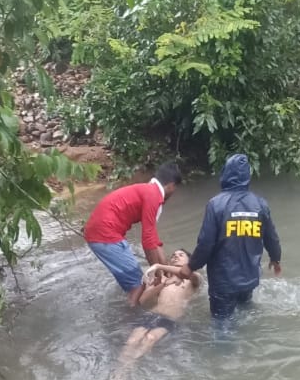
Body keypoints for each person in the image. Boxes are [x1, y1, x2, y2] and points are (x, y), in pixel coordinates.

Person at [176, 153, 281, 320]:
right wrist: (275, 258)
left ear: (226, 174)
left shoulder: (216, 204)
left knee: (222, 328)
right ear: (248, 176)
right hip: (249, 279)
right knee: (244, 316)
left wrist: (190, 266)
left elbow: (206, 243)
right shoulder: (260, 204)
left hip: (223, 282)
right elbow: (271, 236)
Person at [83, 162, 183, 304]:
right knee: (139, 284)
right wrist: (158, 274)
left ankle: (132, 309)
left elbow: (154, 240)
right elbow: (148, 241)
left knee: (138, 283)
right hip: (105, 235)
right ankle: (133, 321)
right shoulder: (153, 195)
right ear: (172, 185)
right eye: (175, 189)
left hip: (99, 233)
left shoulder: (149, 191)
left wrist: (165, 268)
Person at [119, 250, 201, 366]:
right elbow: (142, 300)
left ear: (189, 261)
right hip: (151, 315)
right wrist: (165, 283)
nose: (176, 257)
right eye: (173, 255)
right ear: (169, 262)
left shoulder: (193, 279)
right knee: (132, 341)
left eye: (181, 255)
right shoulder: (160, 279)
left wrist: (160, 266)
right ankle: (119, 376)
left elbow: (191, 275)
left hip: (170, 319)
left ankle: (130, 367)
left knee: (150, 338)